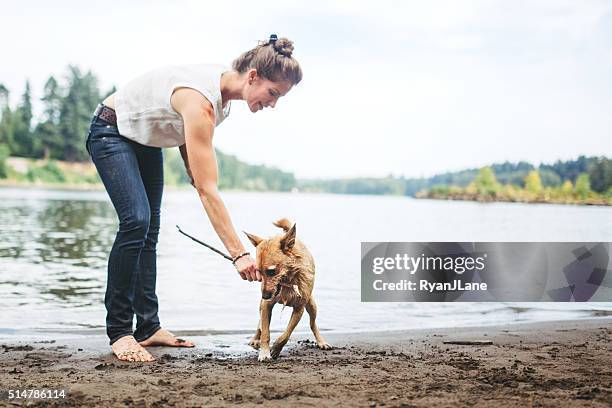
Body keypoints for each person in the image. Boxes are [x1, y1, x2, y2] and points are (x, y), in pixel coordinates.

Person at [85, 35, 302, 362]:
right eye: (273, 93)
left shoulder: (221, 101)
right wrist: (239, 254)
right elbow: (207, 189)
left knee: (149, 230)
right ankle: (120, 332)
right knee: (136, 222)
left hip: (145, 141)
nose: (272, 103)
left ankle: (147, 327)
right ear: (253, 76)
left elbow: (185, 133)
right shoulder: (201, 100)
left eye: (279, 98)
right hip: (110, 131)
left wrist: (190, 166)